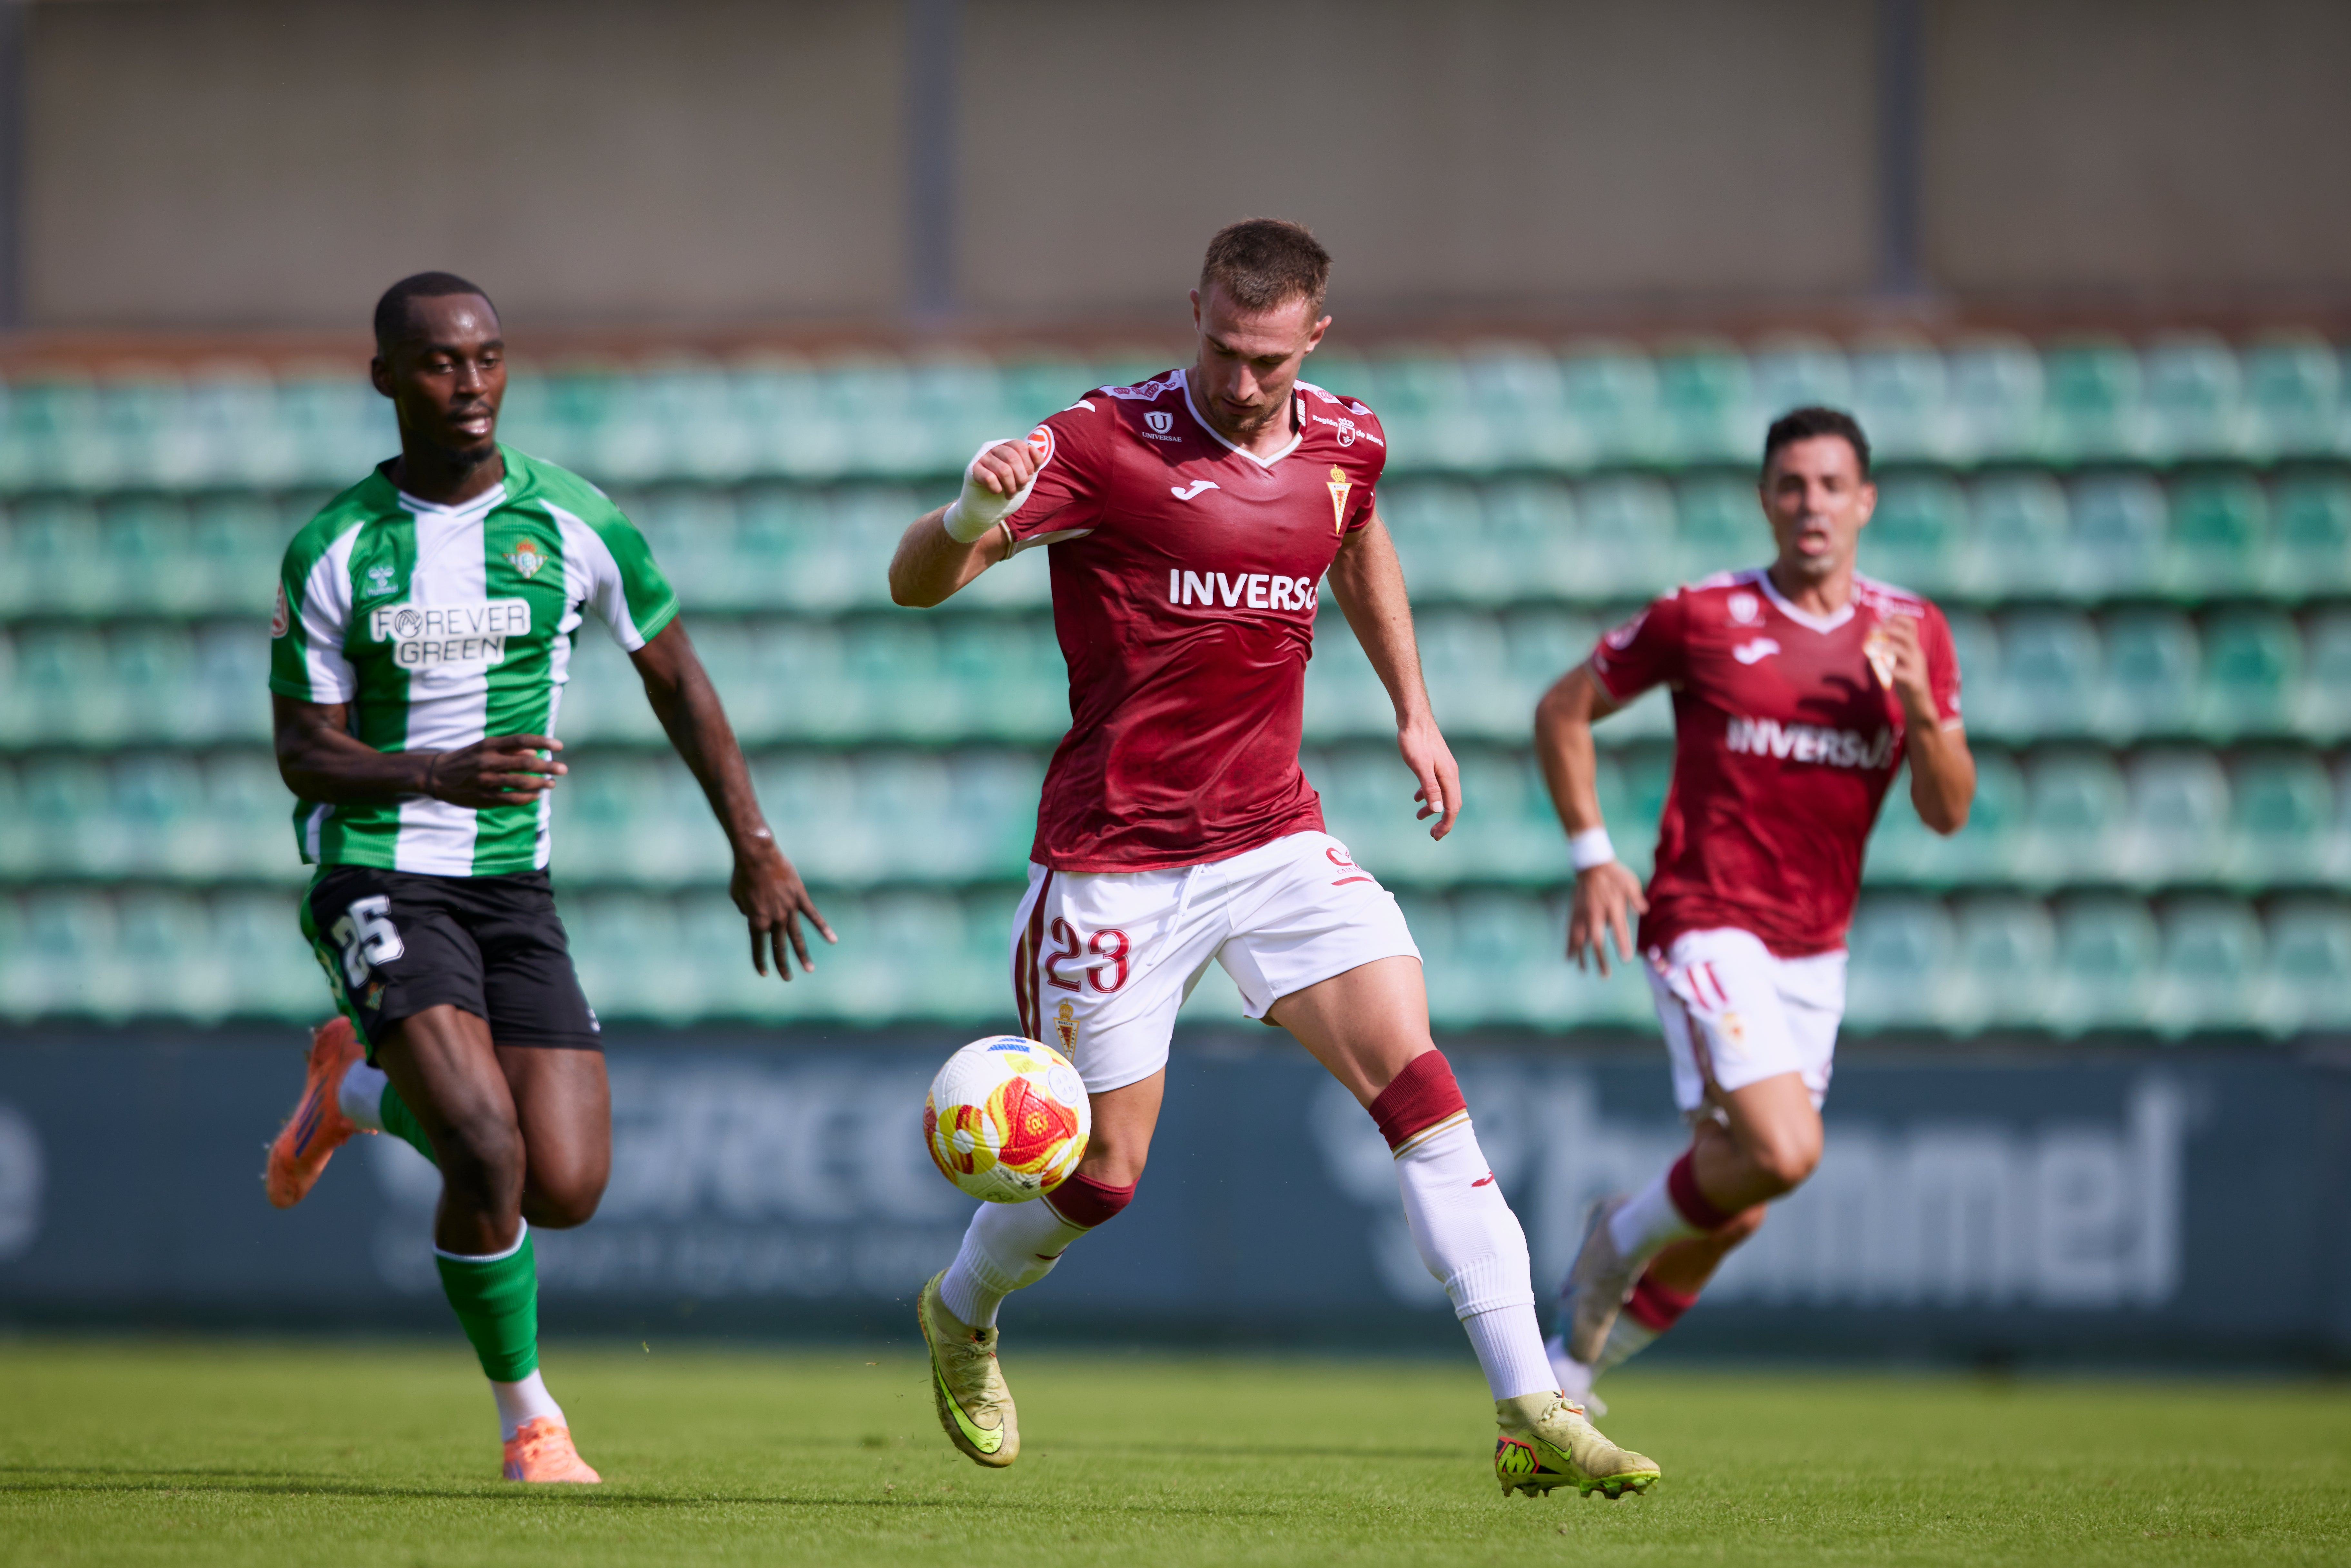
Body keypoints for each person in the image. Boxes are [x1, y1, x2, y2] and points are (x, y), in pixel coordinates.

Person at [887, 219, 1658, 1500]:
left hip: (1273, 840)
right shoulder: (1104, 443)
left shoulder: (1348, 440)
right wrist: (970, 510)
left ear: (1316, 337)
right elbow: (914, 584)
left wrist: (1412, 708)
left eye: (1269, 360)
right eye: (1223, 350)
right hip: (1113, 862)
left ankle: (1531, 1408)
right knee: (1102, 1178)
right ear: (1193, 310)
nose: (1241, 382)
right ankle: (961, 1309)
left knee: (1423, 1094)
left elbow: (1354, 534)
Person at [261, 272, 833, 1482]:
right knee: (484, 1147)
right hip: (378, 872)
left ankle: (352, 1093)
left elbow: (678, 678)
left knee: (562, 1187)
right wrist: (435, 773)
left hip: (513, 889)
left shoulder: (572, 521)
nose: (469, 384)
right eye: (438, 363)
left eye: (487, 358)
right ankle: (531, 1422)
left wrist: (753, 843)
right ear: (385, 378)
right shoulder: (337, 547)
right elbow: (304, 752)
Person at [1531, 406, 1974, 1408]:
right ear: (1765, 501)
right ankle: (1613, 1245)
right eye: (1791, 486)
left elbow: (1946, 811)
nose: (1811, 504)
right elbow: (1562, 710)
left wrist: (1917, 705)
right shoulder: (1702, 615)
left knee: (1736, 1203)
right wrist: (1593, 855)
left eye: (1831, 486)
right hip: (1704, 919)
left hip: (1816, 949)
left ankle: (1569, 1367)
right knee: (1784, 1151)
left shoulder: (1912, 632)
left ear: (1864, 503)